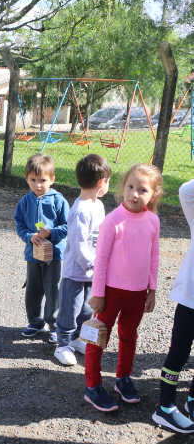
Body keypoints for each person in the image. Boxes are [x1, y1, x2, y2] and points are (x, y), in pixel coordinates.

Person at [85, 163, 162, 412]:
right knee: (97, 338)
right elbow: (101, 260)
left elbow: (154, 257)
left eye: (142, 190)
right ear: (123, 187)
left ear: (153, 195)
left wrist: (152, 290)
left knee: (129, 337)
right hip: (110, 292)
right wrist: (97, 294)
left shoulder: (153, 221)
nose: (134, 194)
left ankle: (123, 378)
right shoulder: (112, 221)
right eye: (130, 187)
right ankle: (92, 385)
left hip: (138, 294)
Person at [54, 154, 111, 366]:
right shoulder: (80, 210)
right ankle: (62, 344)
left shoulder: (99, 206)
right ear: (100, 182)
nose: (108, 185)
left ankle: (78, 339)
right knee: (70, 309)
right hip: (75, 273)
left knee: (87, 309)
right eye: (108, 181)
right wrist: (94, 265)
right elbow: (78, 246)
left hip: (92, 273)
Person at [152, 179, 194, 433]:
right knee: (178, 353)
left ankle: (191, 400)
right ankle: (165, 406)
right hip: (190, 301)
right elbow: (186, 191)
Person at [14, 154, 69, 344]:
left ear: (52, 180)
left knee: (53, 289)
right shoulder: (25, 202)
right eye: (33, 180)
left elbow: (67, 226)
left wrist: (51, 233)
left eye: (43, 180)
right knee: (33, 290)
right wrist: (30, 237)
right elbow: (19, 225)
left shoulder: (59, 201)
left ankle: (54, 325)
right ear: (27, 179)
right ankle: (35, 322)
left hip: (54, 256)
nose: (38, 184)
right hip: (32, 255)